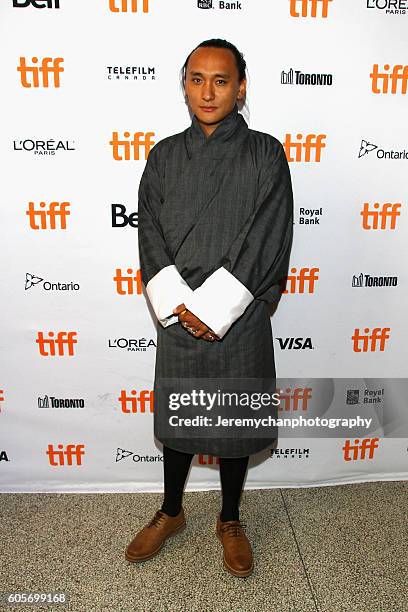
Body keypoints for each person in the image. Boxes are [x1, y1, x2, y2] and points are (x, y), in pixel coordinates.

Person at [125, 39, 294, 578]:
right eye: (196, 79)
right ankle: (171, 511)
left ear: (241, 87)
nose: (208, 91)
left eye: (221, 80)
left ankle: (229, 518)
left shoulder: (265, 153)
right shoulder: (164, 155)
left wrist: (220, 305)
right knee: (180, 417)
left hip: (237, 313)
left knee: (233, 424)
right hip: (178, 311)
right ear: (184, 86)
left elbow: (269, 234)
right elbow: (147, 228)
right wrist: (177, 302)